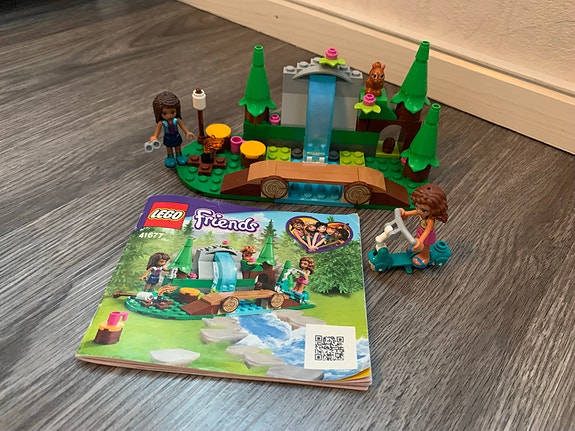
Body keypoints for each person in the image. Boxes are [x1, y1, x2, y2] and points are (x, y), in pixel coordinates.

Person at [400, 184, 448, 268]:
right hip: (420, 230)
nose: (419, 210)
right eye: (417, 206)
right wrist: (405, 213)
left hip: (427, 236)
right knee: (417, 239)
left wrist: (421, 241)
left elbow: (427, 230)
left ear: (434, 210)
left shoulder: (430, 220)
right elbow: (416, 212)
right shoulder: (421, 212)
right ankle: (417, 247)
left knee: (425, 247)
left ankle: (425, 257)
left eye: (423, 210)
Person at [150, 91, 195, 168]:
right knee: (169, 147)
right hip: (168, 137)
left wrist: (187, 132)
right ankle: (170, 157)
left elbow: (182, 126)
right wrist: (154, 137)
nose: (169, 116)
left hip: (176, 135)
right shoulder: (162, 123)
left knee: (178, 146)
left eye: (172, 112)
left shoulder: (176, 120)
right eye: (165, 113)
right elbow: (157, 132)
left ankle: (179, 155)